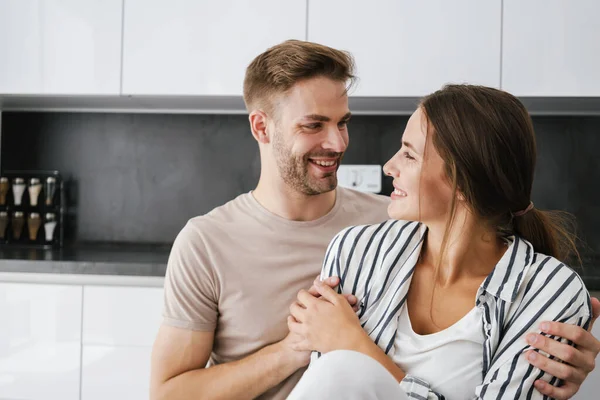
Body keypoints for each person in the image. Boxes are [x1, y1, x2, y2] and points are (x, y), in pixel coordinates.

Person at [149, 41, 600, 400]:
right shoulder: (209, 242)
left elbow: (358, 372)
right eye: (314, 125)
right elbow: (168, 394)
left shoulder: (383, 224)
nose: (338, 141)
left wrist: (558, 370)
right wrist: (295, 348)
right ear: (262, 128)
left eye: (343, 121)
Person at [287, 84, 600, 400]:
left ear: (463, 182)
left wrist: (353, 344)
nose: (389, 166)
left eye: (409, 154)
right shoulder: (356, 251)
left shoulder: (549, 291)